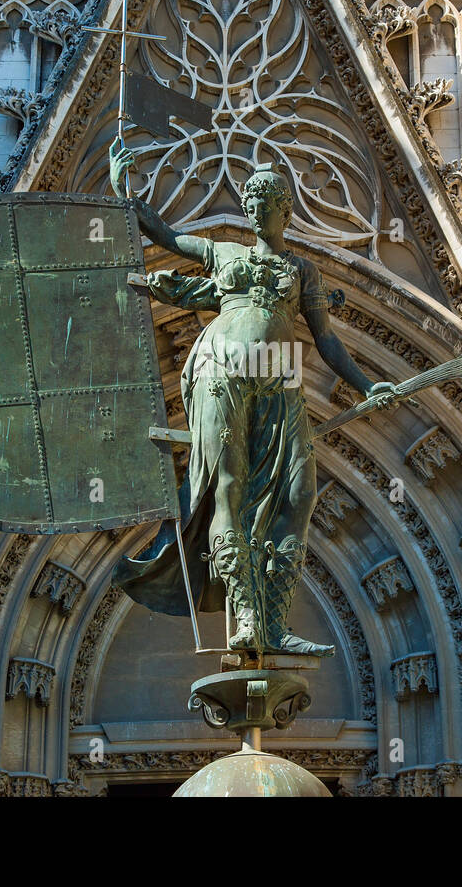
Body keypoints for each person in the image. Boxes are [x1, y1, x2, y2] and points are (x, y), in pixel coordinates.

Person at [110, 139, 396, 656]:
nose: (260, 212)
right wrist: (124, 192)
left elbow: (326, 338)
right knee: (228, 489)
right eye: (254, 204)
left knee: (300, 493)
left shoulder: (303, 270)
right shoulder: (224, 253)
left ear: (286, 211)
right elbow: (168, 236)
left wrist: (366, 384)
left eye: (270, 205)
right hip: (221, 369)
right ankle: (246, 619)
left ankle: (272, 618)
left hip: (280, 380)